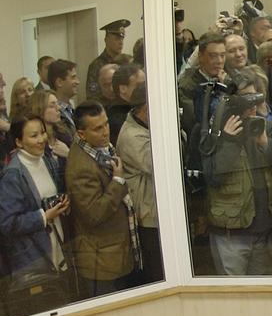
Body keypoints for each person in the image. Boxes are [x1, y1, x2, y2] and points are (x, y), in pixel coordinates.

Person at [206, 91, 272, 276]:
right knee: (234, 295)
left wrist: (265, 143)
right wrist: (229, 140)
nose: (252, 110)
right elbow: (214, 177)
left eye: (255, 103)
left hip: (263, 228)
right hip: (232, 234)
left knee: (260, 292)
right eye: (247, 104)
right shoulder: (214, 132)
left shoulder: (263, 127)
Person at [67, 103, 138, 296]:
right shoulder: (81, 167)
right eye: (98, 128)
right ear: (82, 134)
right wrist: (117, 180)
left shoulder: (101, 149)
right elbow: (94, 214)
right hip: (101, 263)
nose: (106, 131)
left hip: (114, 255)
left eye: (106, 124)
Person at [0, 113, 71, 299]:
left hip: (57, 248)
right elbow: (7, 223)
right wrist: (44, 217)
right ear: (19, 142)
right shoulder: (12, 175)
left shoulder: (47, 160)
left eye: (42, 133)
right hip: (32, 260)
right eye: (33, 136)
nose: (41, 140)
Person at [114, 84, 162, 284]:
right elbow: (158, 164)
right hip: (147, 216)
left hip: (156, 212)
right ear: (146, 110)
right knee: (157, 272)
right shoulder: (131, 136)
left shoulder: (146, 128)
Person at [86, 19, 131, 100]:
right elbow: (92, 95)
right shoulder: (96, 65)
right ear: (106, 40)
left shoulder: (127, 62)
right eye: (117, 39)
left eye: (122, 39)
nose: (121, 42)